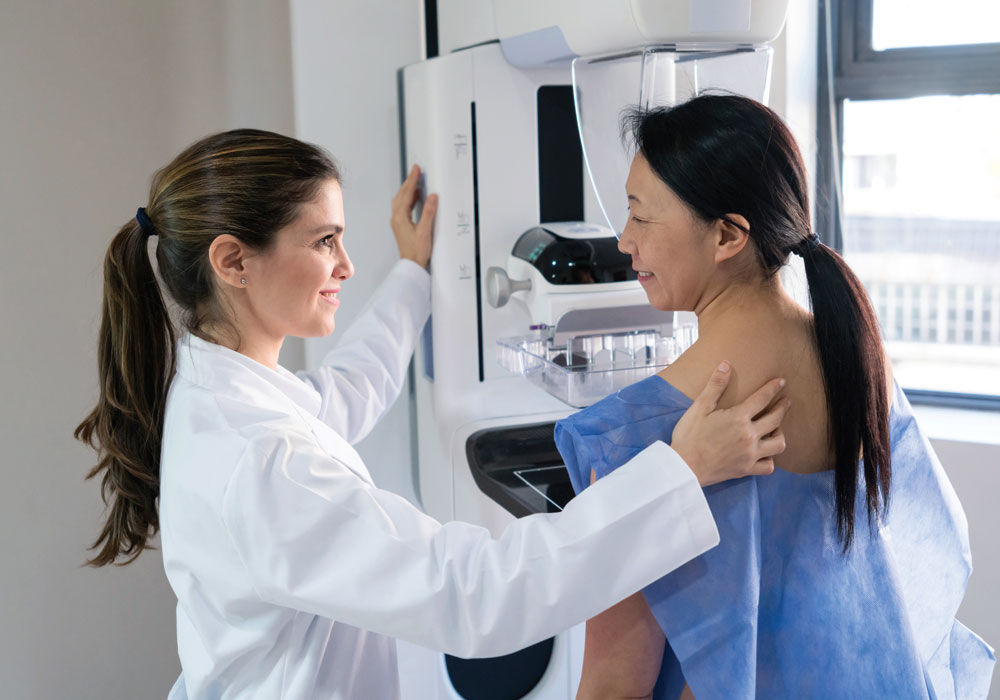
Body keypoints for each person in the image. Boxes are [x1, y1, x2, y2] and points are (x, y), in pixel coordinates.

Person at [73, 128, 793, 700]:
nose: (346, 265)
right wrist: (680, 471)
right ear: (234, 261)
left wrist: (413, 274)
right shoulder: (260, 459)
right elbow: (473, 593)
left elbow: (341, 398)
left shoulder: (219, 392)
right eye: (325, 241)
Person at [557, 94, 995, 699]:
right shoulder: (858, 364)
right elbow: (929, 563)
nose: (625, 240)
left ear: (728, 235)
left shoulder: (632, 436)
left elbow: (613, 684)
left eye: (640, 216)